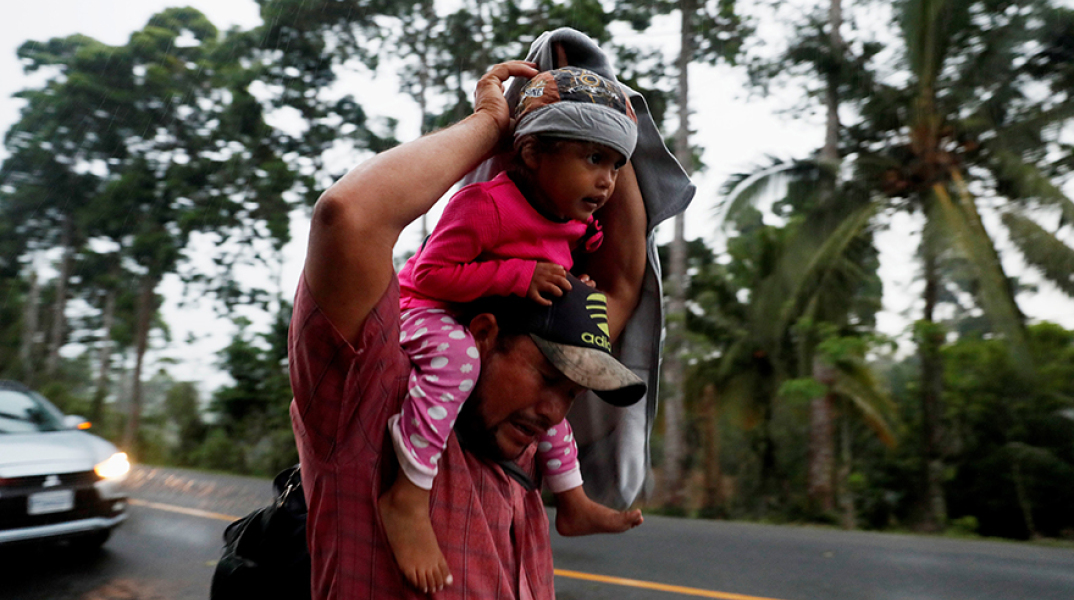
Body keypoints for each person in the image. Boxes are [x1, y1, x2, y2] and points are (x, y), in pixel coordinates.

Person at [289, 60, 650, 600]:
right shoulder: (370, 407)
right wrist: (493, 124)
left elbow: (622, 281)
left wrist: (601, 108)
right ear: (483, 337)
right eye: (549, 375)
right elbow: (349, 216)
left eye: (573, 391)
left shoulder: (526, 449)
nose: (556, 410)